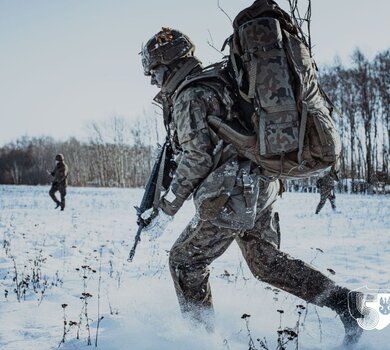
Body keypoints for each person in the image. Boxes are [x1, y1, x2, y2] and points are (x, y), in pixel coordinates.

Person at [140, 27, 363, 345]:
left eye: (154, 71)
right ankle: (348, 304)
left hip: (232, 191)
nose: (152, 80)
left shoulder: (190, 95)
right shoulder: (216, 81)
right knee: (266, 262)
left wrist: (164, 211)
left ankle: (198, 342)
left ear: (168, 65)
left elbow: (197, 159)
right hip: (259, 183)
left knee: (185, 261)